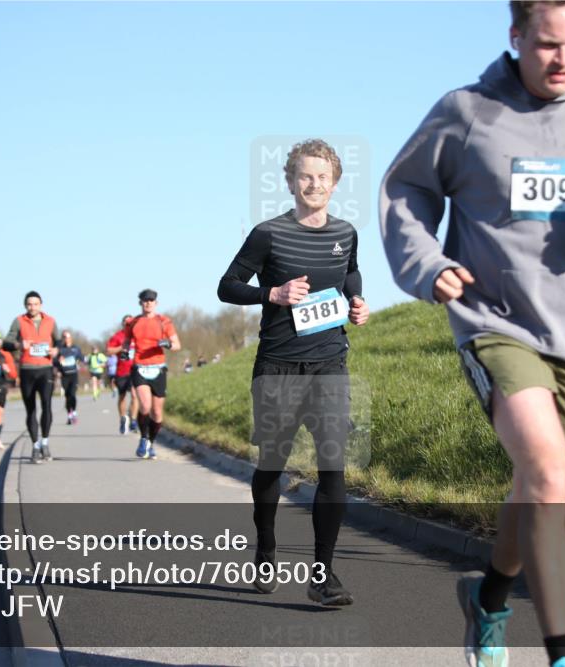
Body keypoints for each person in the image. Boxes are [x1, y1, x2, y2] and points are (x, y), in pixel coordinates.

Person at [379, 3, 565, 665]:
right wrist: (428, 265)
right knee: (544, 470)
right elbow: (405, 192)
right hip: (495, 321)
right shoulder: (467, 111)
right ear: (515, 37)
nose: (562, 59)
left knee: (539, 484)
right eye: (547, 44)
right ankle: (563, 653)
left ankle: (489, 596)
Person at [218, 138, 369, 606]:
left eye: (323, 177)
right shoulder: (268, 233)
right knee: (271, 466)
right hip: (279, 366)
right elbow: (227, 286)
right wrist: (273, 295)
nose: (314, 184)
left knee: (334, 468)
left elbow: (351, 274)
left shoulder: (346, 232)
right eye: (305, 176)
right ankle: (265, 548)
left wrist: (358, 303)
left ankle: (323, 575)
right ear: (289, 181)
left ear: (335, 183)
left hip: (330, 365)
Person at [122, 290, 181, 460]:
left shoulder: (164, 321)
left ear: (156, 303)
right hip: (139, 367)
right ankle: (143, 438)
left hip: (158, 368)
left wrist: (167, 344)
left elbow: (177, 344)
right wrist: (125, 351)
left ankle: (151, 443)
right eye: (145, 300)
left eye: (151, 300)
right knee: (145, 406)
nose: (148, 303)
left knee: (157, 412)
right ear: (140, 303)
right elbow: (126, 342)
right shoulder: (132, 322)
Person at [4, 291, 61, 463]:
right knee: (31, 410)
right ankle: (35, 446)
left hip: (45, 369)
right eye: (29, 304)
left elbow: (57, 342)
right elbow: (6, 343)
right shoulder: (19, 321)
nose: (32, 307)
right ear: (25, 305)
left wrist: (56, 350)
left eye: (35, 304)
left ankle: (45, 443)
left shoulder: (50, 321)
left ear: (41, 305)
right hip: (27, 370)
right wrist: (18, 344)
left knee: (46, 405)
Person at [106, 315, 139, 435]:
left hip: (135, 370)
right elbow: (109, 351)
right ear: (123, 324)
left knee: (135, 395)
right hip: (121, 371)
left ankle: (134, 420)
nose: (128, 324)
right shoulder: (117, 336)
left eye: (130, 323)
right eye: (126, 323)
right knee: (122, 396)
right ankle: (123, 419)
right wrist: (121, 347)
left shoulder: (137, 335)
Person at [54, 330, 83, 425]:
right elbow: (54, 362)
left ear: (71, 338)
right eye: (64, 337)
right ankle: (69, 415)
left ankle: (74, 412)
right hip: (64, 375)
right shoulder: (60, 349)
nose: (66, 339)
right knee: (67, 396)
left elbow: (82, 358)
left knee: (72, 394)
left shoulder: (76, 348)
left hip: (73, 374)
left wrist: (79, 362)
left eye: (67, 337)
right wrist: (58, 362)